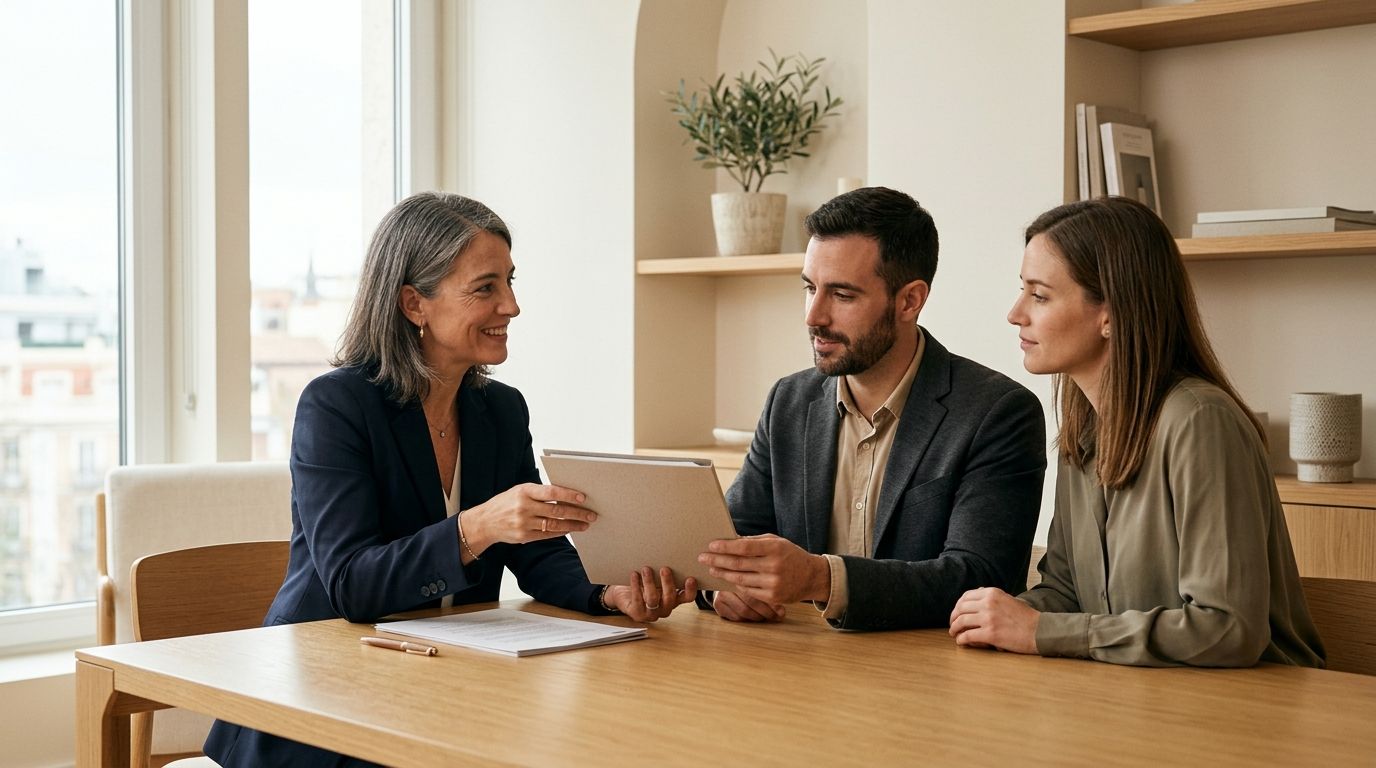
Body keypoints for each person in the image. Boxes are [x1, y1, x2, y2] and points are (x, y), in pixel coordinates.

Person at [205, 192, 695, 767]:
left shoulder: (501, 409)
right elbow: (351, 586)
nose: (511, 305)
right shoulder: (336, 405)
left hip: (450, 683)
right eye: (485, 287)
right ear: (415, 303)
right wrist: (477, 527)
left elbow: (536, 554)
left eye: (511, 282)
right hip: (323, 701)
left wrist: (607, 594)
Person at [948, 196, 1325, 668]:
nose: (1015, 313)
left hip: (1254, 710)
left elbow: (1227, 627)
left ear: (1109, 313)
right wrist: (1006, 617)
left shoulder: (1200, 422)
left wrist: (1042, 631)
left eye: (1039, 295)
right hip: (1140, 699)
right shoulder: (1082, 429)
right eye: (1022, 290)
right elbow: (1067, 590)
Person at [696, 187, 1047, 631]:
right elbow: (730, 538)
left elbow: (979, 578)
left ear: (910, 301)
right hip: (795, 672)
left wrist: (822, 579)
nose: (813, 316)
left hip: (935, 681)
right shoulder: (789, 401)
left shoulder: (997, 412)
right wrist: (721, 587)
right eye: (810, 288)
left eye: (842, 295)